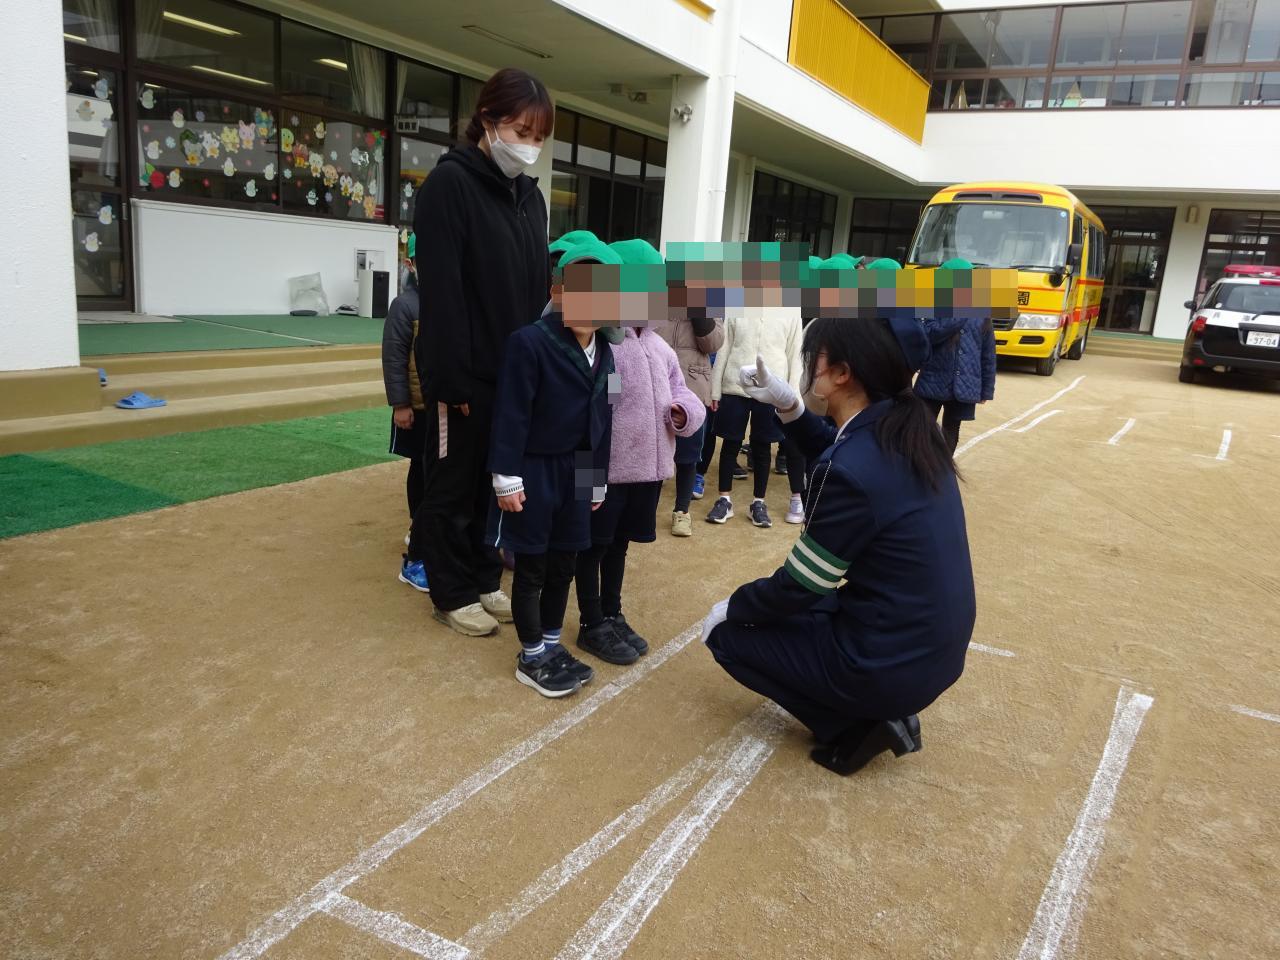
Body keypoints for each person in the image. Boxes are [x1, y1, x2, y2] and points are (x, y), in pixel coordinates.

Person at [701, 316, 977, 777]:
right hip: (927, 649)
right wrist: (790, 407)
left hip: (890, 660)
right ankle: (881, 708)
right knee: (796, 615)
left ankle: (857, 726)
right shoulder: (907, 425)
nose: (809, 365)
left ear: (844, 373)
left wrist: (735, 605)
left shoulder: (854, 470)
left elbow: (800, 586)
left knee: (729, 634)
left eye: (816, 357)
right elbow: (843, 447)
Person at [411, 67, 553, 637]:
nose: (530, 146)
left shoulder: (530, 198)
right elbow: (442, 293)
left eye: (539, 137)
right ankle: (450, 591)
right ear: (488, 122)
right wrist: (451, 380)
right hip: (464, 375)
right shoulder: (449, 186)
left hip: (513, 375)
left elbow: (536, 290)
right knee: (453, 484)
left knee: (496, 486)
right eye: (521, 132)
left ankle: (484, 576)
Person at [487, 242, 614, 698]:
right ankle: (531, 655)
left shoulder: (609, 354)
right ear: (557, 293)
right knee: (533, 565)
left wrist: (596, 479)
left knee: (565, 563)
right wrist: (505, 476)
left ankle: (552, 644)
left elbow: (606, 416)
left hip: (578, 470)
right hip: (534, 469)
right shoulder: (528, 342)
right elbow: (511, 411)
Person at [574, 238, 705, 664]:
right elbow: (594, 413)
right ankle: (591, 622)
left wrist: (683, 412)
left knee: (619, 545)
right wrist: (587, 478)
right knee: (592, 546)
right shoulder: (604, 346)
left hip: (646, 471)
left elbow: (683, 391)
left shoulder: (660, 347)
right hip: (605, 471)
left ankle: (612, 613)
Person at [639, 240, 724, 537]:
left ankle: (682, 511)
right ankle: (646, 511)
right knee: (654, 451)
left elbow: (713, 343)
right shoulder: (655, 297)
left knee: (688, 456)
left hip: (692, 386)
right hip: (656, 383)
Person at [705, 289, 803, 528]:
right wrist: (715, 390)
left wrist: (792, 396)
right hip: (734, 385)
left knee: (762, 446)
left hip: (772, 388)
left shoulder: (791, 307)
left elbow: (795, 355)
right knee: (730, 443)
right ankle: (724, 499)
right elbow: (724, 347)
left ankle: (758, 503)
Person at [381, 232, 430, 593]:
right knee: (420, 468)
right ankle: (417, 526)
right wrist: (401, 404)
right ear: (411, 264)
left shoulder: (447, 301)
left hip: (439, 405)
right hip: (415, 406)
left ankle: (425, 529)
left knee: (434, 468)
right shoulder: (405, 305)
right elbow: (394, 356)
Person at [914, 258, 996, 453]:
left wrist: (986, 389)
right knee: (923, 428)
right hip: (933, 380)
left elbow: (988, 352)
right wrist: (956, 317)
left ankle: (943, 467)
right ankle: (920, 465)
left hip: (964, 384)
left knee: (951, 429)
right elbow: (927, 334)